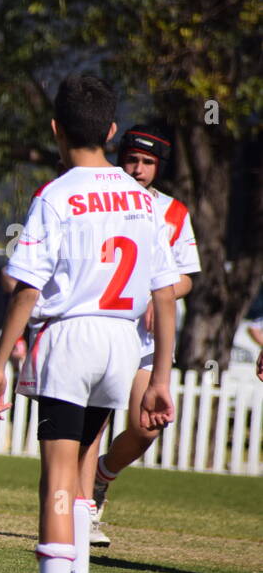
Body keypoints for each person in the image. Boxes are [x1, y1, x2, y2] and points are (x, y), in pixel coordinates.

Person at [0, 74, 179, 573]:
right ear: (113, 131)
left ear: (55, 129)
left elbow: (25, 290)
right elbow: (166, 294)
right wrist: (162, 376)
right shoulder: (145, 201)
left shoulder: (57, 195)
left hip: (70, 339)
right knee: (84, 473)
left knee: (57, 481)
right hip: (124, 345)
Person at [84, 124, 200, 546]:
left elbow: (186, 276)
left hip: (146, 343)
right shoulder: (103, 200)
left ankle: (102, 475)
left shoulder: (173, 212)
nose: (137, 169)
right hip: (105, 329)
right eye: (132, 159)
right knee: (92, 425)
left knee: (146, 427)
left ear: (158, 167)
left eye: (147, 162)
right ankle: (85, 515)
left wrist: (160, 296)